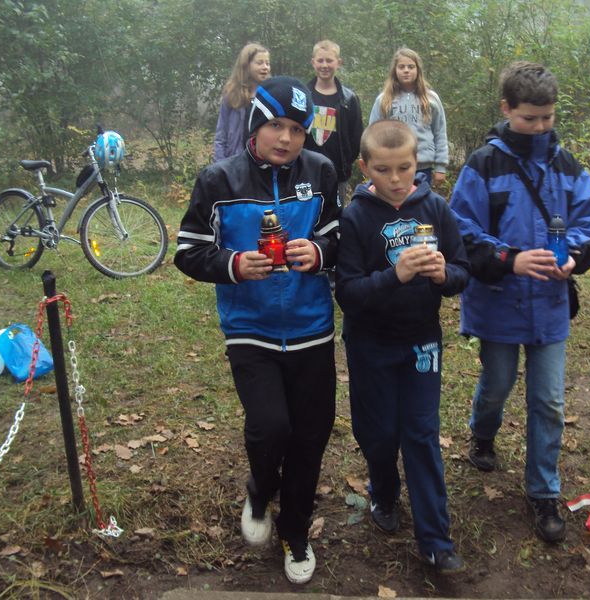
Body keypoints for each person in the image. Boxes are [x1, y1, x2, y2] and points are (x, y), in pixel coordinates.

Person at [176, 76, 340, 584]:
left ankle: (295, 533)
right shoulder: (218, 181)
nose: (286, 138)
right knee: (272, 427)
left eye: (295, 128)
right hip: (251, 329)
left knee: (311, 436)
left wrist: (318, 253)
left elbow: (339, 236)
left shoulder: (322, 171)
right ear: (255, 124)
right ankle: (259, 489)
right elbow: (188, 250)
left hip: (313, 328)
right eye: (275, 126)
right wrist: (231, 264)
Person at [449, 61, 590, 543]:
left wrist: (574, 258)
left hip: (550, 306)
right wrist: (509, 259)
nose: (539, 127)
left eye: (547, 117)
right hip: (498, 302)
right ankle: (483, 432)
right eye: (529, 118)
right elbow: (459, 231)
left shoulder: (567, 166)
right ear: (506, 109)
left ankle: (543, 492)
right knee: (497, 383)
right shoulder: (483, 164)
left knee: (548, 400)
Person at [335, 120, 469, 575]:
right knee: (379, 434)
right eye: (384, 169)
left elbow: (462, 273)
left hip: (421, 344)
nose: (395, 179)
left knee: (421, 434)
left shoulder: (436, 208)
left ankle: (436, 541)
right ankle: (384, 490)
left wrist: (441, 275)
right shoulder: (355, 217)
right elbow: (348, 293)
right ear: (365, 167)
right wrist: (397, 274)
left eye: (405, 168)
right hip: (370, 344)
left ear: (419, 164)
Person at [368, 48, 448, 188]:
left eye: (411, 67)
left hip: (423, 167)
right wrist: (373, 163)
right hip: (393, 166)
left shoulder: (430, 99)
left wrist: (441, 166)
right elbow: (373, 134)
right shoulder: (384, 100)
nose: (406, 70)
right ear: (395, 70)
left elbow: (440, 132)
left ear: (418, 70)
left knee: (419, 207)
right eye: (401, 67)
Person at [304, 40, 363, 204]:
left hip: (338, 173)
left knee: (336, 218)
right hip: (307, 171)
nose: (324, 65)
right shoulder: (302, 95)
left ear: (339, 62)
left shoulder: (349, 99)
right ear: (313, 62)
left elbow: (356, 136)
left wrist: (345, 163)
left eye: (329, 60)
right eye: (320, 60)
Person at [213, 43, 270, 161]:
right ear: (246, 66)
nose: (265, 67)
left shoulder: (272, 96)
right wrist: (220, 167)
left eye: (267, 63)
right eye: (259, 63)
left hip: (263, 164)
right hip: (236, 162)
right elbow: (221, 137)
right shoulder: (232, 95)